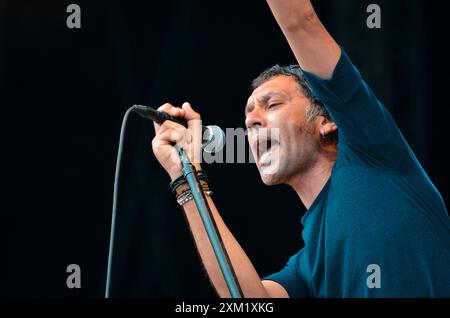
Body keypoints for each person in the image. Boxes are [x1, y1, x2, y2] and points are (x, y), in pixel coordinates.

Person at [151, 0, 450, 297]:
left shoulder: (370, 152)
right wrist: (185, 175)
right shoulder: (307, 265)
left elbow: (301, 22)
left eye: (272, 104)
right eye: (248, 114)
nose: (251, 121)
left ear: (327, 121)